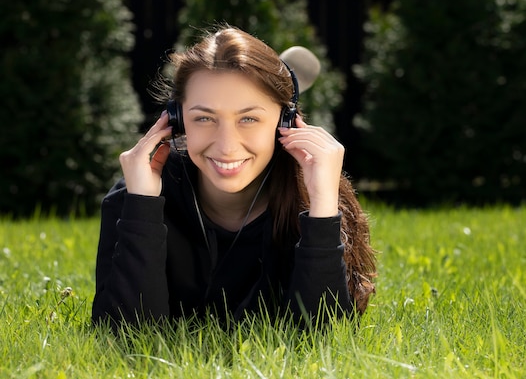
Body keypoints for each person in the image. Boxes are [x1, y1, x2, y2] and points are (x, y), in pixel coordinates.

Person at [92, 26, 377, 329]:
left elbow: (326, 337)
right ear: (176, 119)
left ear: (286, 121)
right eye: (204, 118)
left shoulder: (313, 195)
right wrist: (142, 208)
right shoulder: (136, 195)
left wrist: (322, 207)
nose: (227, 146)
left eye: (249, 118)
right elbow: (123, 334)